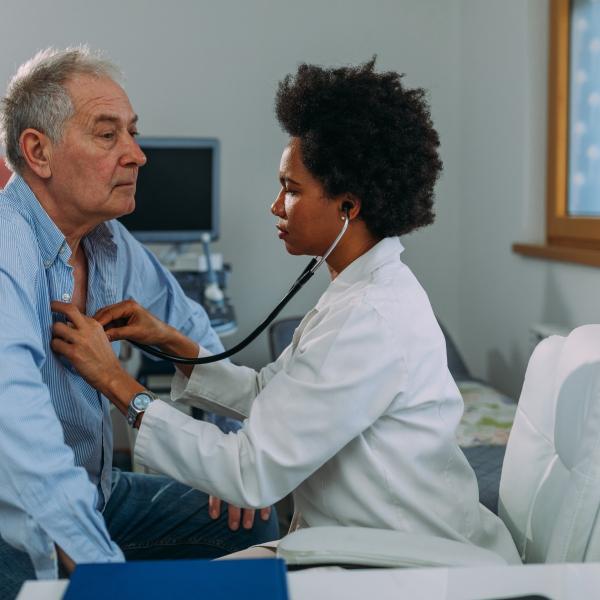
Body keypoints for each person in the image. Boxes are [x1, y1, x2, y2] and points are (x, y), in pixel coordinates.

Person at [51, 59, 521, 564]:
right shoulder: (358, 292)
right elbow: (268, 395)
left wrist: (118, 384)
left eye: (292, 190)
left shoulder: (372, 318)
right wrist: (172, 344)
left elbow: (250, 473)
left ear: (348, 206)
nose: (277, 206)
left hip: (405, 559)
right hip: (362, 538)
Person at [0, 47, 277, 597]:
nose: (137, 155)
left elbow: (190, 325)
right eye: (108, 135)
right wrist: (108, 575)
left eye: (133, 132)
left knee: (247, 516)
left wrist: (233, 447)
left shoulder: (108, 242)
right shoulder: (9, 256)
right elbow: (24, 447)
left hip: (96, 492)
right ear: (38, 152)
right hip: (17, 521)